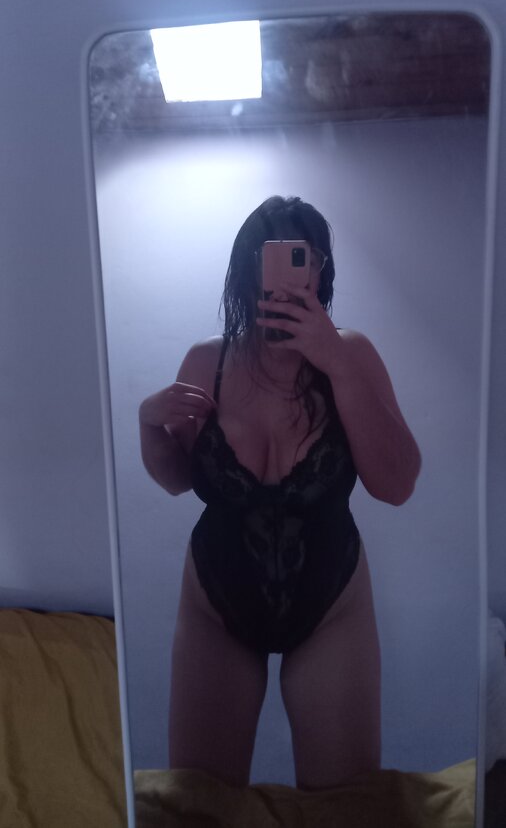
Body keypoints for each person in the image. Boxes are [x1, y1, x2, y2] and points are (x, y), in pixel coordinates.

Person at [138, 195, 421, 790]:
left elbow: (396, 485)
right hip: (216, 607)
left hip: (331, 609)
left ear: (320, 270)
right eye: (269, 257)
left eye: (304, 257)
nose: (290, 273)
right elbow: (177, 479)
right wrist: (147, 425)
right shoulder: (206, 361)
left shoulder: (353, 353)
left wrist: (338, 365)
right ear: (246, 270)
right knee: (200, 805)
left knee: (343, 807)